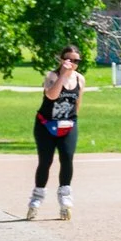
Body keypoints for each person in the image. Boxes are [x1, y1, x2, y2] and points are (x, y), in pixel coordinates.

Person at [29, 45, 84, 219]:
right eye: (68, 59)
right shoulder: (51, 76)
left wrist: (72, 121)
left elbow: (78, 103)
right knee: (45, 161)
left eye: (76, 61)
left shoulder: (80, 79)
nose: (72, 63)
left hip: (67, 125)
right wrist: (63, 76)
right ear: (61, 59)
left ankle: (65, 199)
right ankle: (36, 200)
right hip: (46, 125)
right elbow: (52, 96)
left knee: (67, 158)